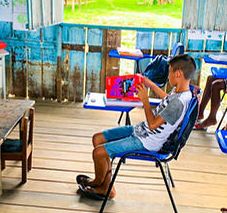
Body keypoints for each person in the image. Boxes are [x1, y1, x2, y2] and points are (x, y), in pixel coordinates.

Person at [76, 54, 196, 200]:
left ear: (178, 74)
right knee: (98, 138)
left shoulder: (179, 102)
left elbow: (152, 125)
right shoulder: (182, 92)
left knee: (98, 153)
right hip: (141, 131)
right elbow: (167, 100)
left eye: (170, 72)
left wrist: (145, 100)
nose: (168, 76)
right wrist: (150, 84)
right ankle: (104, 184)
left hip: (147, 140)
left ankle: (103, 188)